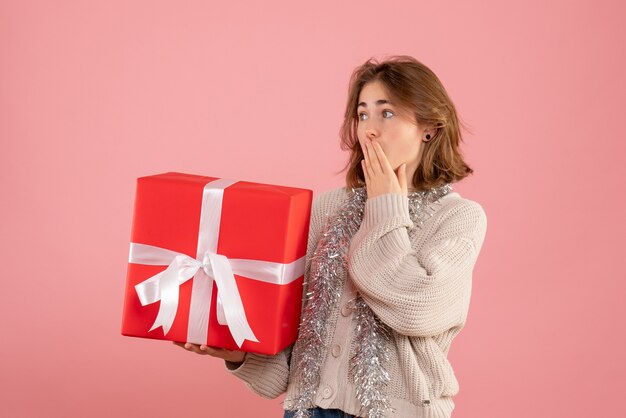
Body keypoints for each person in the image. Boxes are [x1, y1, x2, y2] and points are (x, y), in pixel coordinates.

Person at [175, 55, 488, 418]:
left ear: (429, 127)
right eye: (362, 114)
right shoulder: (328, 209)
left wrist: (386, 205)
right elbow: (292, 325)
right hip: (308, 409)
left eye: (386, 113)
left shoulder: (459, 217)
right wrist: (242, 353)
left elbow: (417, 310)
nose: (369, 129)